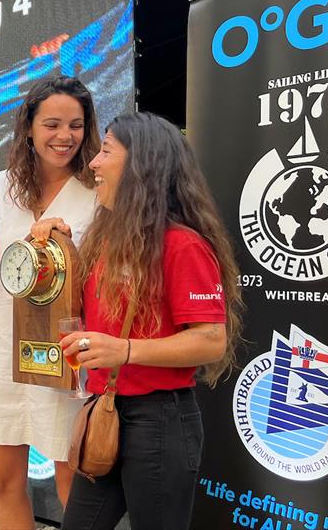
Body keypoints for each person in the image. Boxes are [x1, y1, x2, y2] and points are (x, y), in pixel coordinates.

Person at [59, 112, 242, 530]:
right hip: (105, 412)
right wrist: (57, 247)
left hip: (159, 423)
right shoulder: (104, 239)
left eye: (105, 150)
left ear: (142, 163)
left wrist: (124, 350)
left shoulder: (181, 245)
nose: (93, 163)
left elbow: (211, 341)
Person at [0, 76, 100, 528]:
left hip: (67, 346)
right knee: (1, 480)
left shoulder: (100, 186)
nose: (65, 136)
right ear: (29, 128)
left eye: (75, 125)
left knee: (71, 483)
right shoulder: (1, 185)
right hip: (6, 343)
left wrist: (69, 245)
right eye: (52, 124)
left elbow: (114, 270)